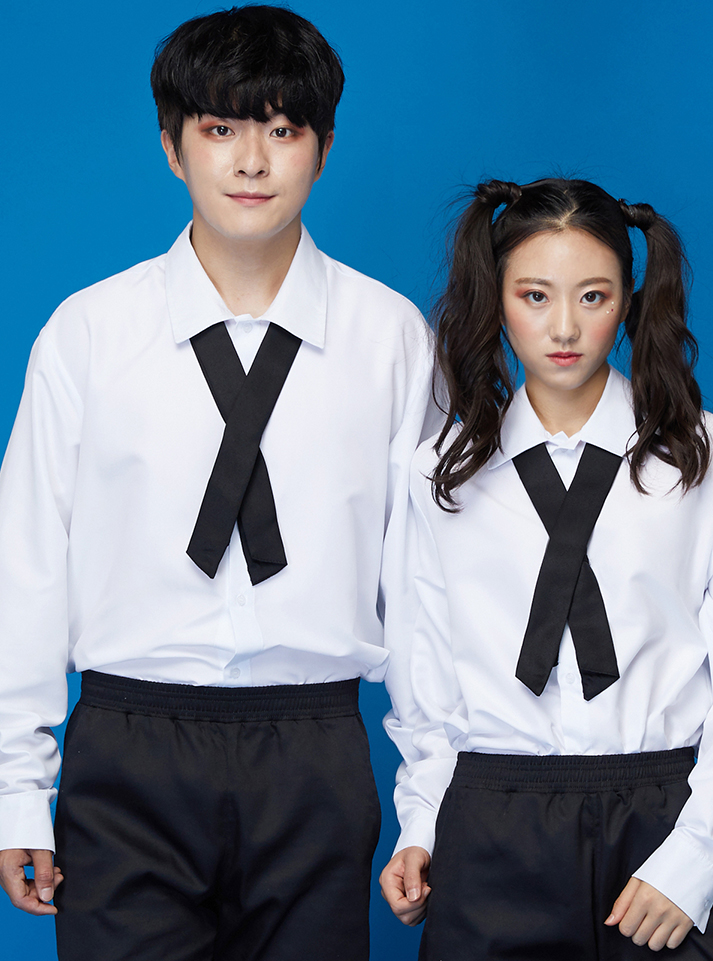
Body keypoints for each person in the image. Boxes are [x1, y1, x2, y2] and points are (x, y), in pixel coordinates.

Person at [0, 7, 436, 960]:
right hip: (130, 742)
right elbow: (24, 563)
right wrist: (15, 787)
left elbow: (424, 580)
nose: (252, 161)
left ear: (323, 150)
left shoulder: (390, 337)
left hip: (314, 746)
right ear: (173, 147)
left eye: (283, 130)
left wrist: (429, 793)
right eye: (221, 128)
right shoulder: (89, 332)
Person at [380, 177, 713, 958]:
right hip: (493, 823)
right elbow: (425, 678)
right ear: (497, 299)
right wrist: (421, 824)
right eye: (534, 296)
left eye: (593, 296)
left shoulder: (710, 459)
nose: (564, 326)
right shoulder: (441, 473)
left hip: (661, 822)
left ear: (629, 300)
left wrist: (695, 857)